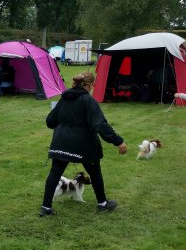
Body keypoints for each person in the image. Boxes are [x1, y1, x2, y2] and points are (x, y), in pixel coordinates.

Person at [39, 71, 128, 217]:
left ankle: (46, 208)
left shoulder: (64, 98)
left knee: (55, 173)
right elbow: (100, 125)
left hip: (61, 142)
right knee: (95, 173)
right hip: (84, 144)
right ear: (91, 84)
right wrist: (118, 141)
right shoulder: (88, 100)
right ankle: (103, 204)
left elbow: (50, 121)